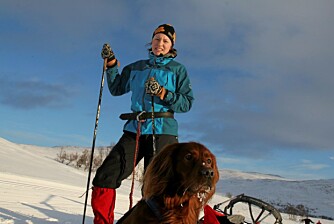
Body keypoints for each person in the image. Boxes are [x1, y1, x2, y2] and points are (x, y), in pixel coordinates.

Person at [91, 24, 194, 224]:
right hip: (135, 129)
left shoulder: (178, 70)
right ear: (151, 41)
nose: (160, 44)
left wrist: (163, 93)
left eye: (165, 41)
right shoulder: (137, 67)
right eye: (157, 39)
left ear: (171, 46)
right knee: (106, 175)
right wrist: (111, 65)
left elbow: (186, 103)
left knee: (159, 186)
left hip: (163, 131)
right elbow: (116, 88)